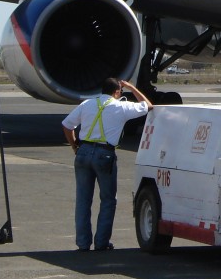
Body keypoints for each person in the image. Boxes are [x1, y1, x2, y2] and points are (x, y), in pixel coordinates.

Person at [61, 77, 153, 251]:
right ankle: (101, 242)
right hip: (105, 154)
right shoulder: (121, 106)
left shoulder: (87, 104)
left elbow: (67, 125)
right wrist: (132, 87)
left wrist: (75, 147)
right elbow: (148, 105)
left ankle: (83, 243)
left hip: (83, 151)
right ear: (117, 92)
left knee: (83, 200)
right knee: (108, 200)